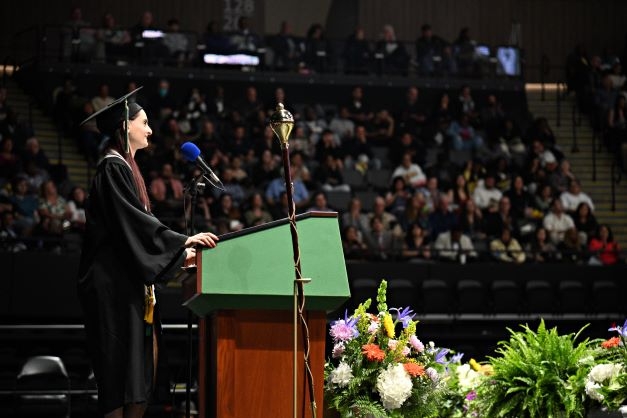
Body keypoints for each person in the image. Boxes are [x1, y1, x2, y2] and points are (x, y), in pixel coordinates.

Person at [76, 88, 218, 418]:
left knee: (136, 379)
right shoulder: (113, 168)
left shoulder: (126, 169)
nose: (150, 129)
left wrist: (182, 256)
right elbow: (136, 227)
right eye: (144, 122)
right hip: (113, 292)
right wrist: (182, 242)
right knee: (119, 381)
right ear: (125, 126)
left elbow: (136, 232)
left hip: (128, 289)